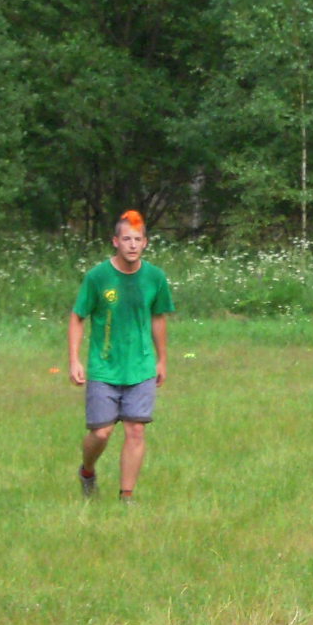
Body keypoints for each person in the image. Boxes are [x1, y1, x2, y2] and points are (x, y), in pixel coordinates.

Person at [69, 211, 173, 502]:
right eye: (126, 239)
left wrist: (162, 359)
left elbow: (158, 317)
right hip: (104, 367)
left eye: (137, 239)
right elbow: (78, 317)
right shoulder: (98, 277)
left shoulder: (155, 277)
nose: (132, 245)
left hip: (141, 367)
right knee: (101, 433)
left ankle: (126, 497)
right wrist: (74, 359)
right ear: (115, 241)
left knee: (136, 430)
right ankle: (87, 471)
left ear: (145, 243)